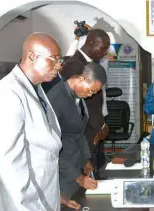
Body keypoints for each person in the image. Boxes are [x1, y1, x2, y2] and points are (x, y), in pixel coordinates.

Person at [0, 32, 78, 210]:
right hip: (21, 204)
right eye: (53, 59)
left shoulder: (36, 89)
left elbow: (42, 150)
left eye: (59, 60)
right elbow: (10, 167)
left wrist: (54, 196)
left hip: (42, 196)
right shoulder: (7, 94)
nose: (58, 66)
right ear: (32, 56)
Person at [43, 62, 107, 203]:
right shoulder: (55, 100)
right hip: (62, 173)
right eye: (91, 90)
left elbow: (78, 133)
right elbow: (50, 149)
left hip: (76, 165)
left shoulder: (77, 97)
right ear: (81, 79)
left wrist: (85, 160)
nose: (90, 95)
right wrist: (77, 177)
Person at [61, 29, 110, 171]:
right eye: (102, 48)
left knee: (99, 178)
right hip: (83, 137)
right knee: (85, 183)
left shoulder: (93, 64)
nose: (105, 53)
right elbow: (73, 106)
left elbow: (95, 102)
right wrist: (96, 126)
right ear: (91, 43)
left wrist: (102, 124)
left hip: (95, 133)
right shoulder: (73, 65)